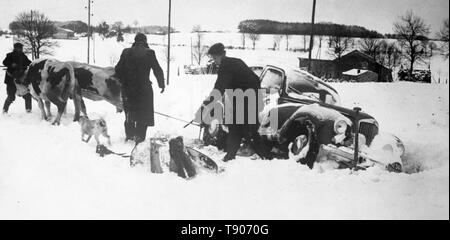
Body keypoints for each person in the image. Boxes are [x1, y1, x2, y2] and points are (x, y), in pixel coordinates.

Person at [202, 43, 272, 162]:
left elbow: (219, 88)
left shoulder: (226, 66)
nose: (214, 61)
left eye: (215, 57)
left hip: (246, 101)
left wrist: (205, 106)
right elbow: (255, 79)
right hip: (245, 100)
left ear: (222, 55)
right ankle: (230, 156)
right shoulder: (236, 62)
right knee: (235, 129)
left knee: (249, 132)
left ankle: (267, 158)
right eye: (212, 58)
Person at [114, 33, 165, 143]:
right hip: (144, 90)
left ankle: (130, 136)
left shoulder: (126, 52)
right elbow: (157, 69)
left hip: (128, 89)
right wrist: (161, 84)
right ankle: (139, 137)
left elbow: (118, 69)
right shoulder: (150, 53)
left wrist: (123, 81)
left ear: (135, 41)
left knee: (129, 113)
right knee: (144, 114)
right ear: (145, 41)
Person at [2, 42, 32, 114]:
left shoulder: (23, 56)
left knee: (27, 95)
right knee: (11, 96)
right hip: (11, 79)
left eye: (21, 48)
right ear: (15, 48)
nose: (21, 49)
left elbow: (29, 63)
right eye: (19, 48)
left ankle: (28, 110)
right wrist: (11, 64)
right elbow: (4, 62)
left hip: (21, 79)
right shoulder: (10, 55)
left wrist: (33, 64)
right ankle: (4, 110)